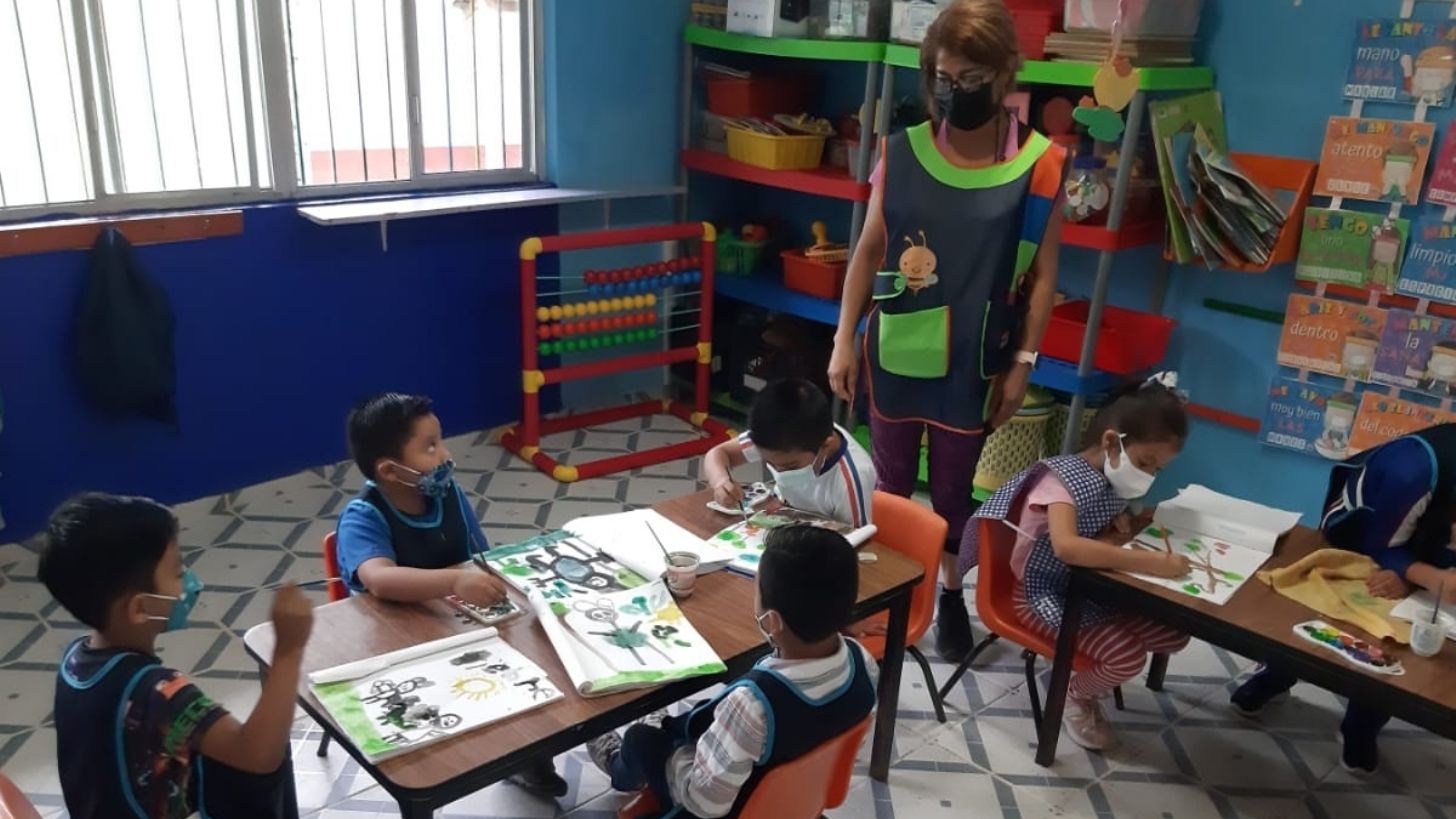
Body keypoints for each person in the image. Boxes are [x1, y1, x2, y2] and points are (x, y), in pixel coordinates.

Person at [827, 0, 1065, 663]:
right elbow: (868, 251)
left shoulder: (1042, 164)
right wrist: (843, 338)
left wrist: (1023, 363)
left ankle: (952, 594)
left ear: (1004, 73)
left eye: (970, 78)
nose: (954, 91)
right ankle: (887, 596)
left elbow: (1044, 276)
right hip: (896, 348)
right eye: (942, 76)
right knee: (892, 484)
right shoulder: (899, 153)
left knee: (956, 491)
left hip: (976, 359)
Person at [336, 392, 566, 797]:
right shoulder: (364, 516)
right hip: (394, 641)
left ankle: (528, 753)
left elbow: (481, 557)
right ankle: (489, 757)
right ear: (388, 470)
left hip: (455, 623)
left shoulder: (446, 494)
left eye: (440, 440)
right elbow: (380, 579)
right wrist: (454, 582)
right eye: (430, 447)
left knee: (533, 654)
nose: (445, 455)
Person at [39, 493, 310, 819]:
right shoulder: (159, 691)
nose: (190, 583)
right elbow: (258, 756)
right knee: (263, 771)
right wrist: (288, 649)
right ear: (140, 608)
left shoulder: (75, 660)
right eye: (179, 573)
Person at [585, 526, 879, 818]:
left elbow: (705, 803)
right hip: (798, 800)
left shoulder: (751, 706)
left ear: (772, 621)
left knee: (640, 738)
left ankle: (617, 764)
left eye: (756, 589)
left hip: (730, 809)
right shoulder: (864, 663)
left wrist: (685, 754)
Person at [963, 378, 1193, 750]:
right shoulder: (1060, 481)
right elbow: (1067, 547)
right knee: (1127, 656)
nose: (1148, 476)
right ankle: (1075, 694)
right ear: (1111, 442)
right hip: (1038, 596)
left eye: (1157, 470)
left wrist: (1114, 521)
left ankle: (1087, 660)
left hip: (1082, 587)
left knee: (1173, 634)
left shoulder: (1110, 478)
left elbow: (1093, 522)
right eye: (1144, 463)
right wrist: (1150, 563)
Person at [1231, 423, 1456, 774]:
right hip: (1360, 530)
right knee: (1319, 608)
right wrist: (1428, 577)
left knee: (1393, 641)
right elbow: (1381, 545)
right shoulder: (1411, 471)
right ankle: (1276, 675)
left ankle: (1362, 724)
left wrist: (1416, 579)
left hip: (1422, 541)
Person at [703, 378, 875, 528]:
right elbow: (718, 453)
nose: (780, 473)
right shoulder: (773, 436)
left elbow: (856, 541)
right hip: (787, 512)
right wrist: (721, 482)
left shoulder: (851, 480)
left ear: (825, 446)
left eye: (790, 466)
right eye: (770, 463)